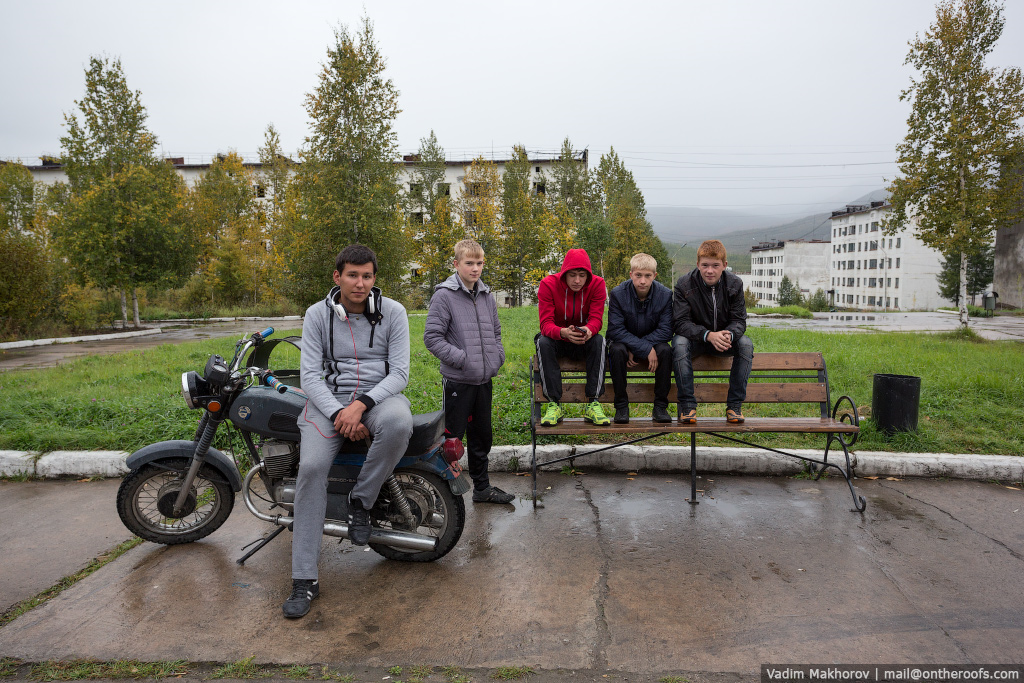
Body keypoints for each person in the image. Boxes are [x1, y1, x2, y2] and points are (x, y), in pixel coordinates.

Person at [285, 244, 413, 619]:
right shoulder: (316, 315)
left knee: (398, 423)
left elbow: (400, 373)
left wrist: (361, 406)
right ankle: (303, 579)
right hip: (327, 403)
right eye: (352, 275)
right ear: (337, 276)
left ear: (375, 279)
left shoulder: (394, 312)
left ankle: (361, 501)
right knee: (309, 469)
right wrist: (340, 411)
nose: (360, 283)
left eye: (367, 276)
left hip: (378, 399)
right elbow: (309, 375)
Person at [424, 238, 514, 505]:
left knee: (481, 437)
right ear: (456, 264)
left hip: (484, 380)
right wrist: (463, 360)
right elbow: (432, 338)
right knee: (451, 441)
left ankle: (483, 489)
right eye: (469, 263)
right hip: (458, 381)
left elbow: (496, 333)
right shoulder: (444, 295)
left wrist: (497, 358)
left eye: (479, 263)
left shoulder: (486, 296)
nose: (475, 268)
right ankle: (442, 493)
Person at [672, 239, 753, 424]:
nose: (710, 270)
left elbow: (739, 320)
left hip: (725, 341)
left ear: (724, 265)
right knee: (679, 342)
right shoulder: (684, 284)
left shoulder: (735, 284)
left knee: (746, 344)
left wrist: (728, 334)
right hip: (697, 341)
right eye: (705, 265)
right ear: (697, 264)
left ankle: (734, 406)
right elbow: (680, 322)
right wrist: (708, 335)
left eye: (715, 265)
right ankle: (687, 407)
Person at [536, 248, 610, 426]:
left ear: (588, 276)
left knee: (599, 341)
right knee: (542, 341)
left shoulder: (598, 284)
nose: (577, 280)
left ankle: (593, 403)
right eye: (572, 275)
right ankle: (554, 403)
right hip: (559, 339)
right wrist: (563, 333)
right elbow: (545, 324)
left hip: (584, 340)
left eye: (582, 275)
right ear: (564, 274)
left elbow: (596, 320)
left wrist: (588, 330)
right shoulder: (548, 284)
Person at [606, 253, 674, 424]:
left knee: (665, 350)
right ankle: (621, 406)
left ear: (654, 276)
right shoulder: (618, 294)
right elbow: (615, 330)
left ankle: (660, 407)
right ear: (631, 275)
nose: (642, 281)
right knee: (616, 349)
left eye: (647, 276)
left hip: (653, 342)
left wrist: (643, 347)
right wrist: (643, 348)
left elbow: (666, 330)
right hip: (623, 343)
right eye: (638, 275)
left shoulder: (665, 295)